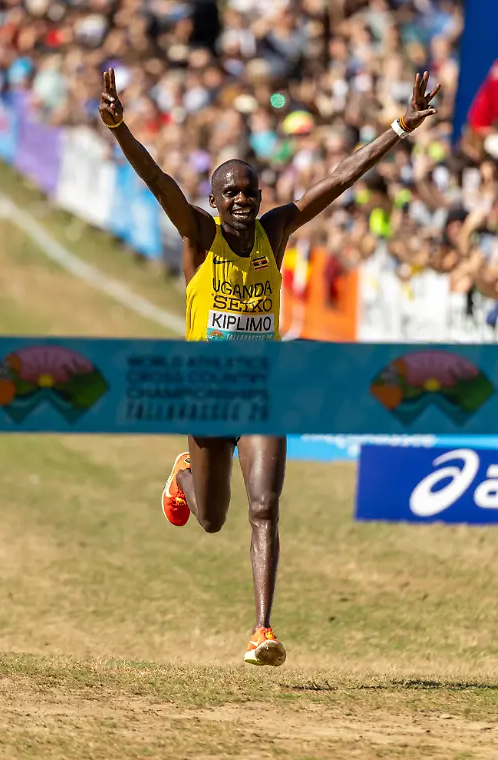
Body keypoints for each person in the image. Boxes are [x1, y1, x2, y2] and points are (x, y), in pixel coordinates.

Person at [99, 67, 441, 666]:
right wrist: (121, 129)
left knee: (265, 507)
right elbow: (159, 181)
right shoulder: (198, 235)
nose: (242, 199)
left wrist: (399, 127)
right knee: (211, 519)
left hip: (263, 390)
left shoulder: (275, 230)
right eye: (231, 191)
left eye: (250, 192)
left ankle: (262, 629)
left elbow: (337, 179)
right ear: (213, 200)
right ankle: (185, 475)